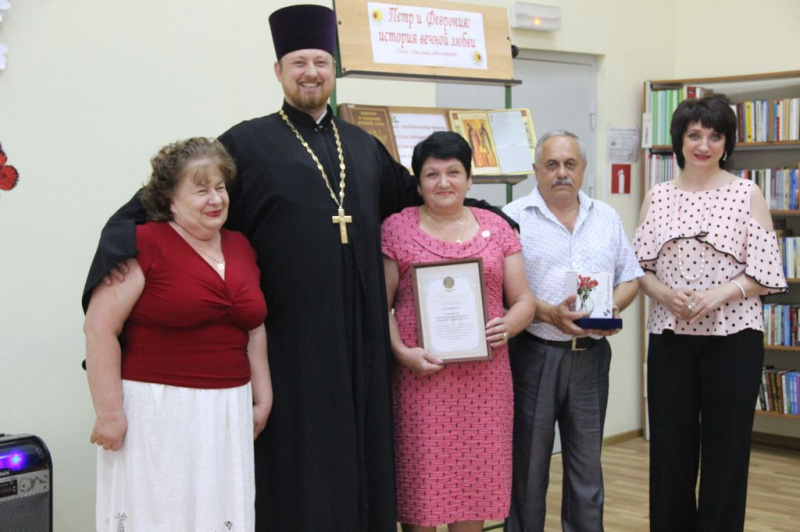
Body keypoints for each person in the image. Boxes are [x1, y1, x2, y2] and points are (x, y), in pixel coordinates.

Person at [81, 5, 512, 531]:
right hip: (288, 344)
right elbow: (175, 199)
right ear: (279, 71)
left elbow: (422, 199)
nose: (311, 72)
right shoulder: (246, 143)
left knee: (362, 457)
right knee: (297, 469)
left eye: (321, 62)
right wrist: (117, 245)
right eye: (299, 62)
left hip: (361, 341)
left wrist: (498, 223)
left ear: (333, 70)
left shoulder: (363, 146)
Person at [84, 137, 271, 531]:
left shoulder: (240, 246)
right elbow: (100, 328)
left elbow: (254, 326)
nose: (215, 199)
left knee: (219, 513)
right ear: (170, 198)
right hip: (157, 409)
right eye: (200, 189)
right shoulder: (144, 244)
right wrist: (109, 413)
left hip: (226, 411)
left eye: (219, 187)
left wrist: (262, 395)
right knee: (159, 515)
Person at [634, 96, 787, 531]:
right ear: (679, 141)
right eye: (694, 135)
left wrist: (720, 293)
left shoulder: (746, 193)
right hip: (670, 338)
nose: (704, 145)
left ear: (727, 143)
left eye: (715, 136)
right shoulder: (657, 196)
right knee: (670, 450)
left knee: (727, 450)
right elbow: (639, 270)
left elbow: (767, 274)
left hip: (734, 339)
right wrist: (665, 294)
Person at [382, 132, 535, 532]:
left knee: (473, 490)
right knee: (421, 494)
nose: (444, 182)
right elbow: (380, 307)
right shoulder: (396, 229)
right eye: (432, 174)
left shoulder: (497, 228)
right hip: (422, 380)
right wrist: (401, 352)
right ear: (417, 183)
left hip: (485, 385)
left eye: (454, 172)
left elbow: (524, 301)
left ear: (470, 180)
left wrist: (511, 324)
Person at [502, 130, 643, 532]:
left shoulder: (607, 216)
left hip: (591, 358)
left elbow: (631, 277)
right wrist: (546, 313)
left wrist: (612, 306)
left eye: (569, 164)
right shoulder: (511, 217)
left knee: (587, 469)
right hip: (534, 355)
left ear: (582, 169)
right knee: (528, 469)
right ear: (535, 171)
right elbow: (497, 293)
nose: (561, 173)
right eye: (551, 165)